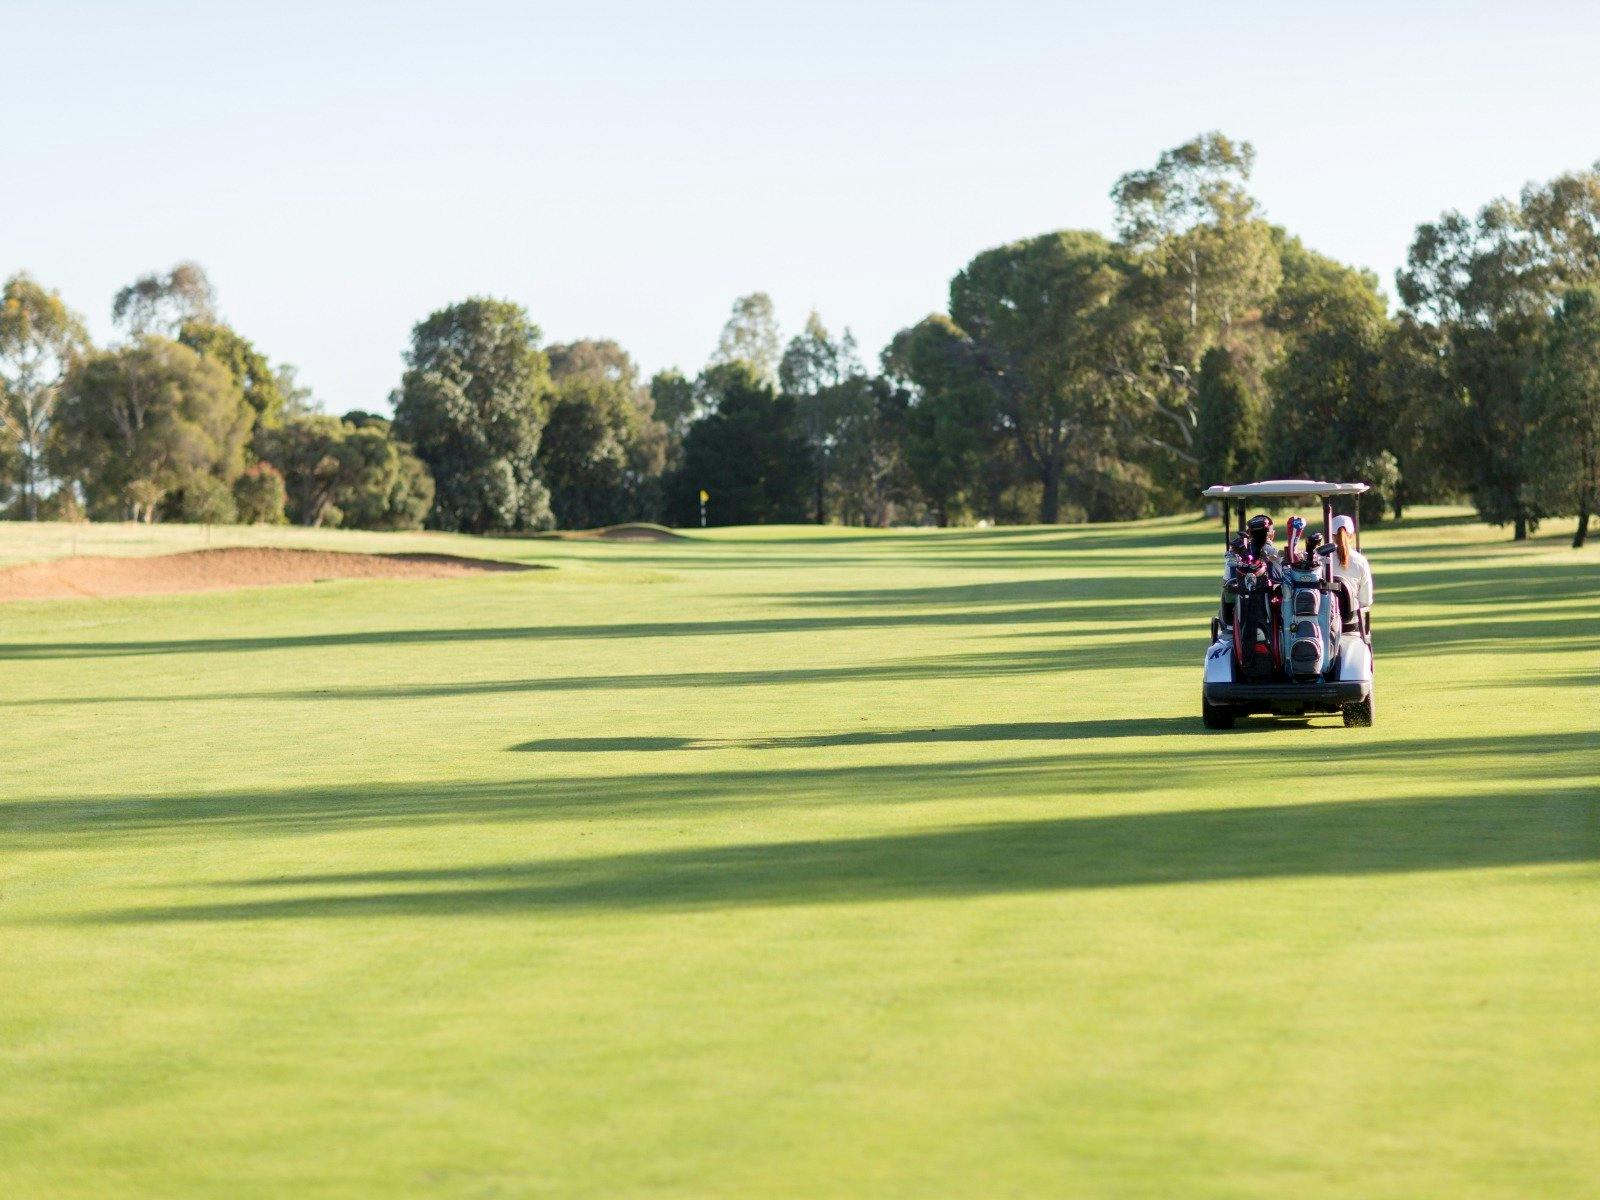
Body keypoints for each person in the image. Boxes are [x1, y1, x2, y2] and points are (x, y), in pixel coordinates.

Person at [1327, 514, 1374, 616]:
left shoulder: (1322, 560)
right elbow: (1366, 600)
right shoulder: (1361, 561)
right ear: (1352, 535)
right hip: (1352, 624)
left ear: (1332, 536)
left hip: (1327, 625)